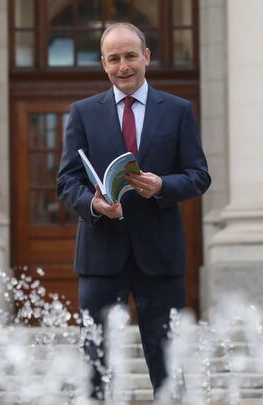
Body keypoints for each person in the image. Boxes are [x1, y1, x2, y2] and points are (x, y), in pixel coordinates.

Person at [56, 22, 210, 399]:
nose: (123, 66)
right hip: (100, 255)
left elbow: (199, 176)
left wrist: (163, 186)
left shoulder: (177, 110)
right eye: (113, 59)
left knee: (168, 362)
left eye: (130, 56)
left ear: (146, 57)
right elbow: (66, 181)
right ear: (104, 65)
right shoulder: (83, 113)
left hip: (160, 257)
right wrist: (92, 203)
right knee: (96, 363)